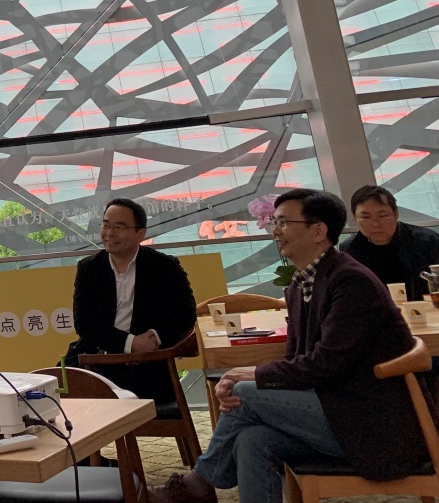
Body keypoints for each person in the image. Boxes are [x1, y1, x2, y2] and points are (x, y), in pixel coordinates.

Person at [148, 189, 433, 503]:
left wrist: (252, 375)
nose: (275, 231)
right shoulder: (300, 284)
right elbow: (298, 359)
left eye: (284, 223)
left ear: (318, 231)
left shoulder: (352, 281)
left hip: (371, 423)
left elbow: (327, 364)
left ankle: (198, 484)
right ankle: (200, 485)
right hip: (335, 409)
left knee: (244, 393)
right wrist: (250, 375)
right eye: (275, 222)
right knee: (252, 439)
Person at [63, 197, 196, 405]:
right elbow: (84, 323)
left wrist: (153, 339)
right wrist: (130, 343)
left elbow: (185, 314)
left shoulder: (164, 266)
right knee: (54, 394)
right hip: (97, 360)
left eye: (119, 227)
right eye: (106, 225)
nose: (109, 233)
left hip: (147, 364)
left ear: (140, 234)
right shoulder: (89, 268)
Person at [339, 183, 439, 302]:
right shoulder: (350, 248)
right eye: (366, 218)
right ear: (355, 218)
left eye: (382, 216)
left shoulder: (427, 241)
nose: (375, 224)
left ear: (396, 214)